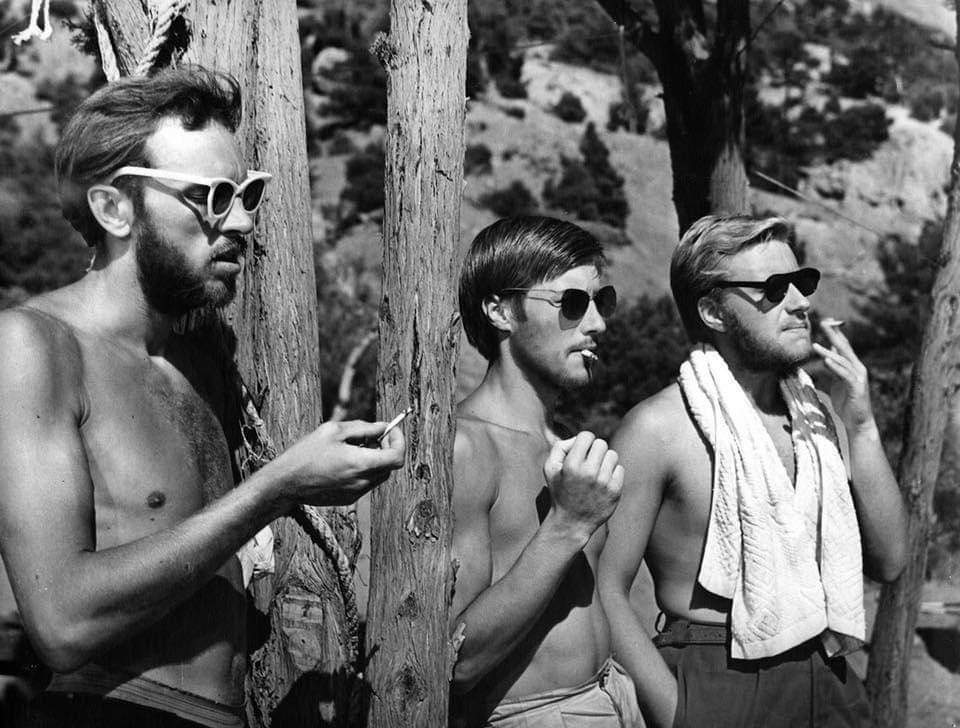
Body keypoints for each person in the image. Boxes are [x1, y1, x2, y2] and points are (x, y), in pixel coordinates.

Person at [0, 66, 405, 727]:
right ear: (114, 209)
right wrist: (277, 487)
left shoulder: (200, 361)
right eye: (212, 197)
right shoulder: (33, 347)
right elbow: (62, 623)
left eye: (248, 193)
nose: (241, 221)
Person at [599, 214, 908, 728]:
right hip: (717, 674)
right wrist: (679, 714)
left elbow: (892, 561)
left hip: (827, 676)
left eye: (802, 282)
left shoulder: (819, 419)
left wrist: (862, 426)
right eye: (774, 288)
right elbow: (600, 587)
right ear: (713, 311)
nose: (800, 302)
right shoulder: (659, 429)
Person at [449, 216, 642, 727]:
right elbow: (453, 660)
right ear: (500, 311)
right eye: (572, 303)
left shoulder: (564, 441)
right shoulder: (466, 447)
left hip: (612, 696)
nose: (597, 324)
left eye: (602, 301)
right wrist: (567, 526)